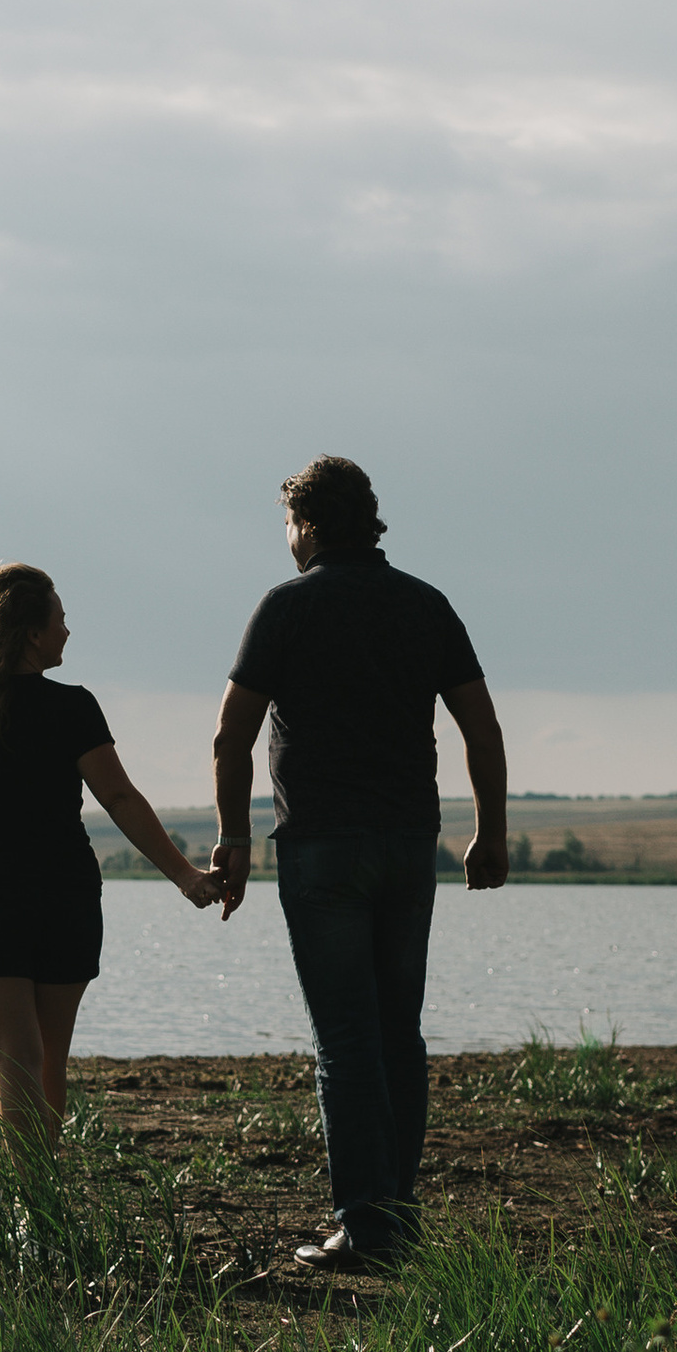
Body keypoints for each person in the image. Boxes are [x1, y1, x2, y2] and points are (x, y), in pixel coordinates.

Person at [209, 458, 509, 1271]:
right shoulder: (424, 603)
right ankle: (395, 1217)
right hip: (411, 845)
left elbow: (230, 736)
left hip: (321, 850)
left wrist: (234, 840)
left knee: (346, 1041)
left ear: (307, 524)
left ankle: (366, 1229)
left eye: (287, 527)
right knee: (396, 1036)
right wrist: (492, 833)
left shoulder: (286, 607)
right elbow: (482, 728)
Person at [0, 563, 216, 1156]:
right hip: (25, 902)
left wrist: (186, 877)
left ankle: (39, 1200)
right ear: (32, 632)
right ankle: (36, 1201)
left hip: (26, 901)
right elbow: (121, 798)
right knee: (32, 1058)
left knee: (33, 1058)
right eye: (60, 620)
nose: (67, 632)